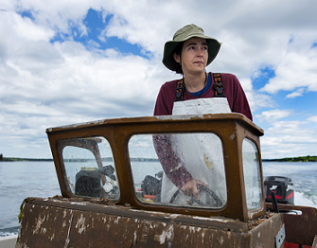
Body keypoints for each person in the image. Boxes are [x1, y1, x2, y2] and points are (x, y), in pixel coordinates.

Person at [153, 24, 252, 206]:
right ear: (177, 56)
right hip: (181, 191)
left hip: (227, 185)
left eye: (204, 48)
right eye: (192, 47)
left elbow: (247, 135)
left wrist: (238, 179)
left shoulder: (229, 84)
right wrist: (182, 178)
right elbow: (160, 139)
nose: (200, 53)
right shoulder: (168, 91)